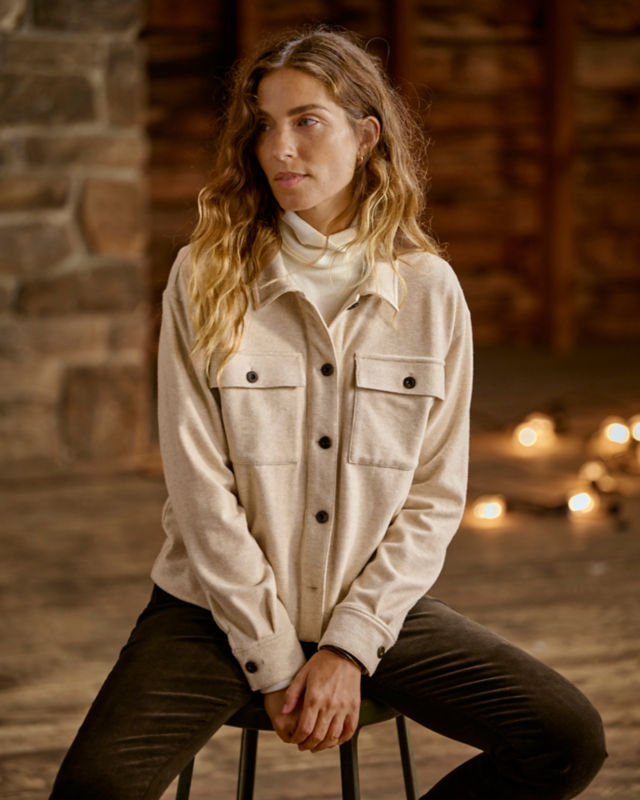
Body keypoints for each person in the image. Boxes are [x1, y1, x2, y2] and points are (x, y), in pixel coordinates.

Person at [50, 26, 606, 800]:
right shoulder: (205, 275)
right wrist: (276, 657)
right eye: (266, 125)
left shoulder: (431, 292)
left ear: (365, 136)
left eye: (306, 121)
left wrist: (348, 648)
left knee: (567, 738)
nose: (280, 147)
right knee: (95, 789)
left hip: (371, 606)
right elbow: (200, 492)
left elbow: (434, 497)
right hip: (213, 609)